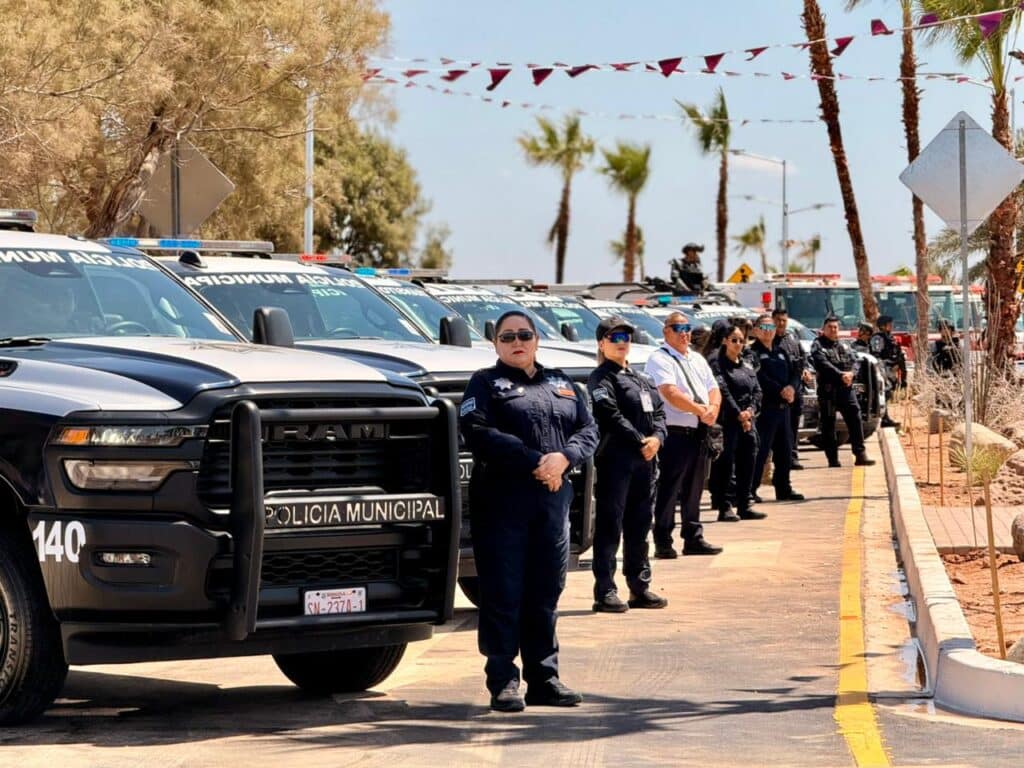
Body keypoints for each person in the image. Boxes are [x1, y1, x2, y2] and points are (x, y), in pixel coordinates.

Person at [460, 310, 599, 712]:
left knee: (546, 590)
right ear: (495, 344)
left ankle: (544, 678)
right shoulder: (484, 383)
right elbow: (480, 432)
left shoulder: (561, 381)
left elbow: (588, 429)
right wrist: (538, 461)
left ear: (537, 339)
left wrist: (565, 458)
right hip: (504, 502)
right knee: (504, 591)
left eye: (524, 334)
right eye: (507, 337)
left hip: (553, 501)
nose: (516, 342)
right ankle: (503, 680)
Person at [587, 317, 669, 613]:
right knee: (610, 526)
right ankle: (605, 590)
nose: (621, 341)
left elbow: (659, 412)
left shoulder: (640, 378)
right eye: (613, 337)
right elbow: (609, 414)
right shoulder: (601, 379)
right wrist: (640, 441)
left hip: (645, 462)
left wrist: (657, 438)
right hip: (616, 461)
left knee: (640, 524)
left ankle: (639, 585)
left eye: (625, 336)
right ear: (601, 343)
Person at [645, 311, 724, 557]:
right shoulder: (660, 358)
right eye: (678, 328)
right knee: (670, 488)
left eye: (687, 328)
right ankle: (663, 540)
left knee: (695, 488)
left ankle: (693, 537)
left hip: (699, 430)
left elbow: (714, 388)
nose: (685, 333)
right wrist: (700, 410)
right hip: (675, 432)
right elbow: (669, 392)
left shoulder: (697, 359)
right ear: (666, 331)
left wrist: (712, 410)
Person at [708, 322, 765, 522]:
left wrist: (750, 412)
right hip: (728, 422)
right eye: (734, 340)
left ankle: (744, 504)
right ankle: (724, 506)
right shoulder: (718, 363)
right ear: (725, 341)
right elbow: (722, 390)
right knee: (726, 465)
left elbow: (757, 390)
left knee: (748, 462)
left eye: (742, 340)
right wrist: (738, 414)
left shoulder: (746, 364)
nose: (738, 344)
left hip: (748, 421)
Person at [750, 314, 804, 503]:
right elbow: (759, 378)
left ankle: (784, 488)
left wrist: (791, 388)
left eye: (771, 327)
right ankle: (750, 490)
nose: (768, 331)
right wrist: (779, 390)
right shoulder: (753, 353)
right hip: (766, 409)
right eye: (764, 328)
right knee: (761, 451)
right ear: (756, 330)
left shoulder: (781, 351)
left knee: (785, 451)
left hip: (784, 409)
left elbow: (796, 372)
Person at [811, 315, 877, 468]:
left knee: (855, 417)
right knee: (828, 425)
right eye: (830, 327)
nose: (833, 330)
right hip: (828, 391)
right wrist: (840, 375)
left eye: (836, 327)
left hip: (846, 389)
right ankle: (833, 459)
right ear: (824, 329)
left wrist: (851, 374)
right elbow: (823, 364)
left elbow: (855, 361)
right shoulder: (818, 345)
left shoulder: (844, 345)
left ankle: (860, 454)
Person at [772, 308, 810, 471]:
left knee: (793, 425)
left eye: (784, 320)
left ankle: (792, 456)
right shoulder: (769, 340)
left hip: (795, 389)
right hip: (778, 392)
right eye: (778, 320)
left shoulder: (793, 338)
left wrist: (807, 370)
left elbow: (803, 359)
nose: (781, 323)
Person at [869, 315, 906, 429]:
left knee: (889, 393)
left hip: (892, 371)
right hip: (884, 370)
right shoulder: (877, 338)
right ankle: (883, 417)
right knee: (885, 392)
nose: (891, 326)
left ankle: (885, 417)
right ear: (882, 326)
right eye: (889, 324)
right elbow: (876, 356)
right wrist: (884, 369)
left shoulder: (891, 338)